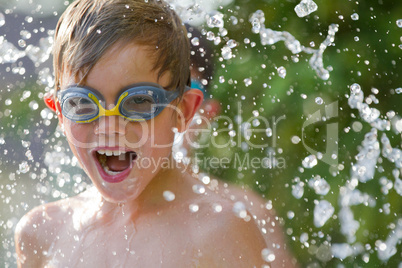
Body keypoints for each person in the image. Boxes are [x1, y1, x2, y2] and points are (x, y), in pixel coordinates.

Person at [14, 0, 278, 267]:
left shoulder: (218, 232)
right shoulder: (42, 232)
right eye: (82, 103)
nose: (109, 128)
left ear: (183, 110)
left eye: (138, 101)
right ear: (59, 112)